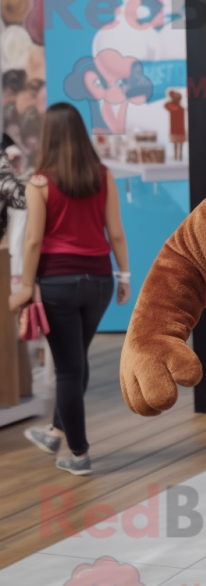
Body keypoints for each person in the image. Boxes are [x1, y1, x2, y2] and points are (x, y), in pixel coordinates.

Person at [8, 103, 131, 476]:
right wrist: (124, 277)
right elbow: (117, 233)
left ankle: (79, 455)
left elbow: (32, 241)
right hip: (99, 283)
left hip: (57, 284)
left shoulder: (40, 182)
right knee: (75, 363)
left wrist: (27, 285)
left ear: (49, 137)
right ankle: (55, 432)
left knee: (67, 369)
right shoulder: (103, 175)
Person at [164, 90, 187, 161]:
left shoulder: (180, 108)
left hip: (180, 128)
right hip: (174, 128)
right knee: (176, 144)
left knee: (180, 144)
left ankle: (179, 157)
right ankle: (176, 157)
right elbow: (166, 105)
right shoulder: (172, 106)